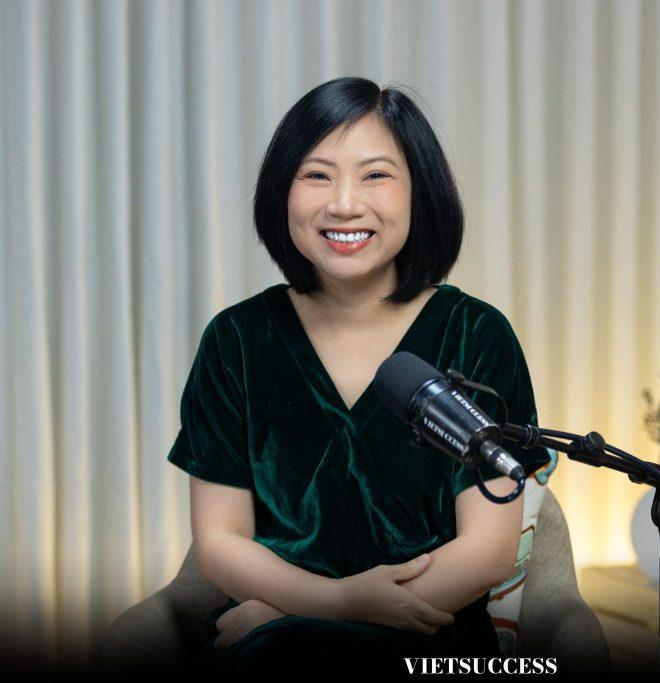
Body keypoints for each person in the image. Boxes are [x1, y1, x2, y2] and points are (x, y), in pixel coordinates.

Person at [166, 76, 551, 677]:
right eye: (317, 175)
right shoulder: (235, 341)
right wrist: (330, 604)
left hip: (428, 641)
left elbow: (489, 550)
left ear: (420, 192)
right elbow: (218, 543)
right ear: (281, 191)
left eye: (376, 175)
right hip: (269, 646)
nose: (344, 204)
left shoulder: (476, 334)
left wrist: (298, 625)